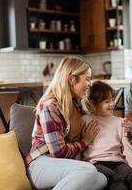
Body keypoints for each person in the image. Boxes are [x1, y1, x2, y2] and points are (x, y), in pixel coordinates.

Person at [25, 57, 107, 190]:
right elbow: (58, 153)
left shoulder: (74, 104)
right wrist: (84, 142)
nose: (90, 84)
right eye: (87, 79)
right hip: (40, 164)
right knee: (89, 170)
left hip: (62, 165)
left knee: (101, 179)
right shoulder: (50, 106)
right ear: (71, 79)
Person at [82, 80, 132, 190]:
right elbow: (79, 145)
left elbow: (128, 149)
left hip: (118, 162)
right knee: (117, 180)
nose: (112, 104)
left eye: (112, 100)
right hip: (96, 163)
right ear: (93, 103)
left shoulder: (120, 122)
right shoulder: (85, 120)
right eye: (107, 101)